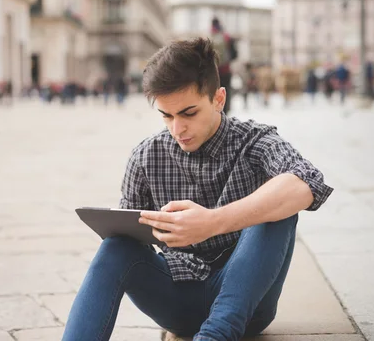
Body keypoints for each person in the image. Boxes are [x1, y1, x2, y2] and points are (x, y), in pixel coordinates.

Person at [62, 38, 333, 341]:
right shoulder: (146, 156)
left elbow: (307, 182)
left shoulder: (255, 141)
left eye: (189, 113)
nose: (178, 129)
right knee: (116, 246)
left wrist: (211, 223)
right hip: (177, 301)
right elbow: (128, 243)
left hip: (247, 306)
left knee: (278, 205)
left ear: (219, 99)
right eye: (167, 115)